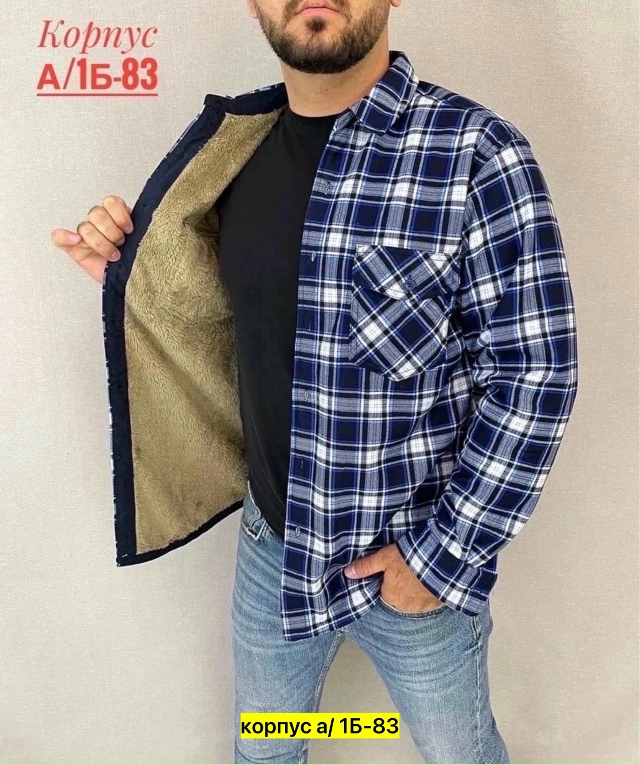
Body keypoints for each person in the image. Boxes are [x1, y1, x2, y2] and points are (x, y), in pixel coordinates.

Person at [51, 1, 579, 762]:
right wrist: (130, 273)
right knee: (268, 748)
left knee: (460, 755)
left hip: (415, 557)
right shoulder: (228, 155)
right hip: (273, 543)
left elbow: (536, 373)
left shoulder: (475, 153)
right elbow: (227, 322)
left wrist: (442, 558)